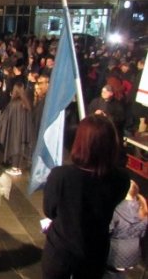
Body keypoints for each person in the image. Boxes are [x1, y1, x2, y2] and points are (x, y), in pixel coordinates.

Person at [42, 115, 130, 279]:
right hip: (95, 251)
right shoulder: (121, 178)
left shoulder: (61, 176)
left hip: (61, 251)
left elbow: (49, 210)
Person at [103, 180, 148, 279]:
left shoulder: (116, 210)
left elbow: (105, 232)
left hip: (114, 255)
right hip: (132, 255)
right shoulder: (143, 208)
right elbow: (142, 234)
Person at [0, 82, 33, 176]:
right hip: (24, 130)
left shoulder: (13, 104)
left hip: (15, 129)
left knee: (15, 147)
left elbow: (5, 117)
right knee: (20, 148)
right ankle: (18, 167)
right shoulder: (26, 103)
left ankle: (15, 168)